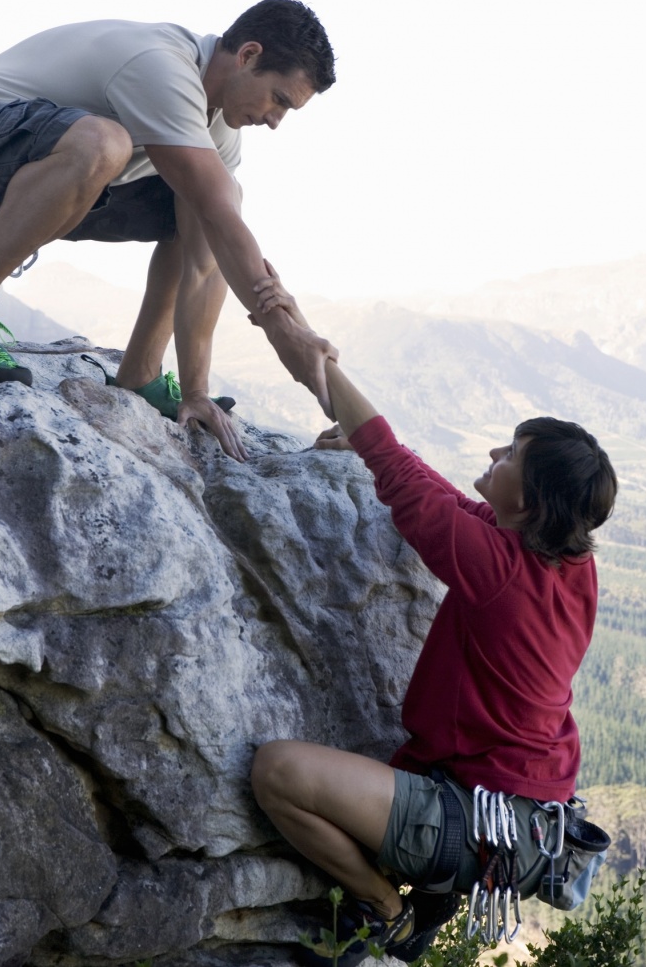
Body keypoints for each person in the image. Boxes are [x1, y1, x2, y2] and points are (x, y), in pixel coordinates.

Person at [249, 277, 618, 964]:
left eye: (509, 456)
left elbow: (402, 475)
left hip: (476, 819)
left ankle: (386, 908)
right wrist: (359, 440)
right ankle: (413, 883)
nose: (491, 456)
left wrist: (318, 367)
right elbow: (449, 504)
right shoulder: (567, 561)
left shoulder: (500, 569)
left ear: (533, 501)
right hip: (521, 810)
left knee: (278, 772)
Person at [0, 0, 337, 462]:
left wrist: (197, 390)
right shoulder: (160, 65)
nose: (276, 121)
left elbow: (209, 249)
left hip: (40, 177)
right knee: (108, 143)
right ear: (248, 55)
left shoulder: (217, 127)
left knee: (211, 195)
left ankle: (142, 371)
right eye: (279, 99)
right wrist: (282, 331)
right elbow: (220, 219)